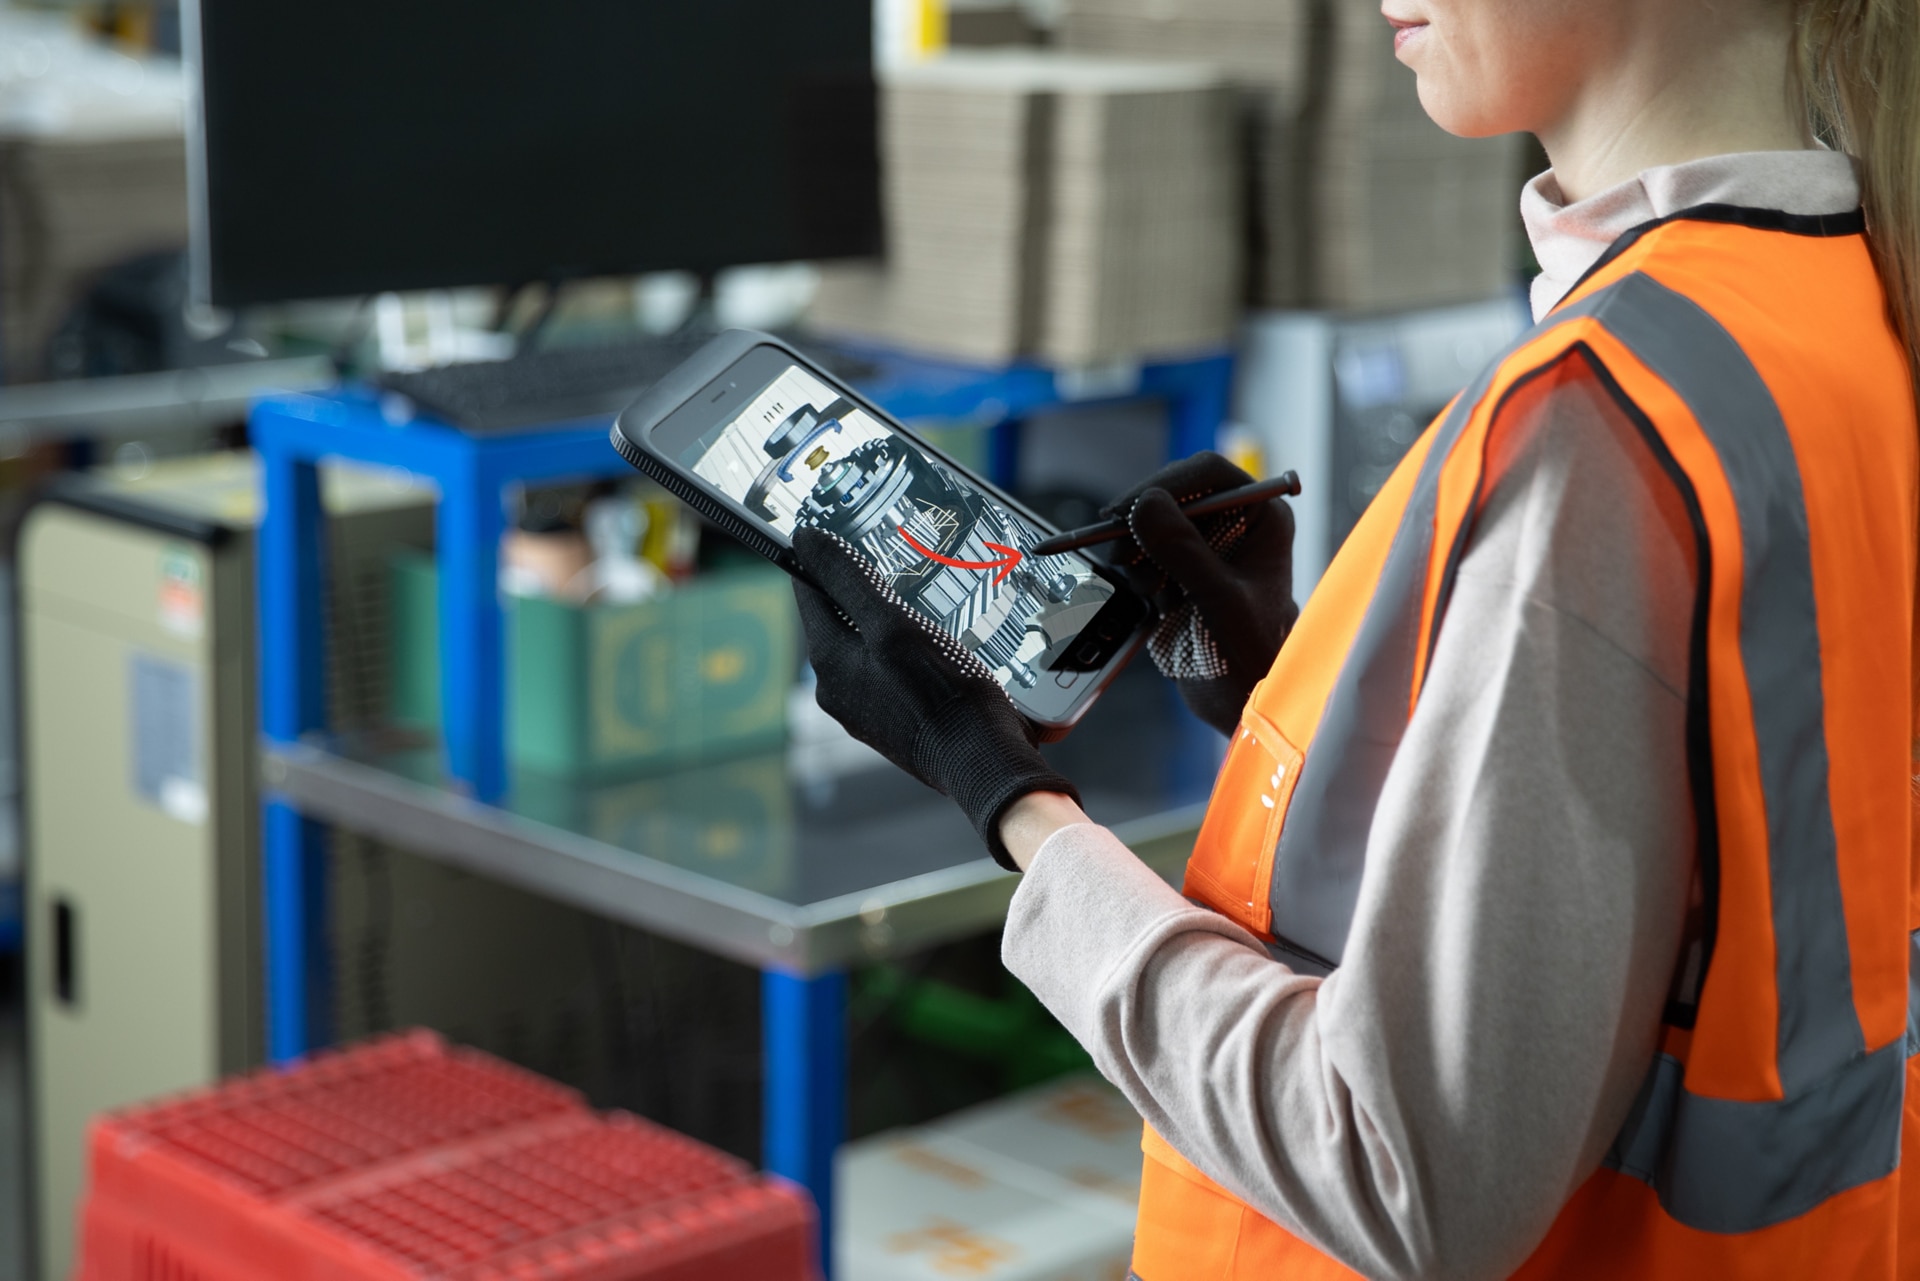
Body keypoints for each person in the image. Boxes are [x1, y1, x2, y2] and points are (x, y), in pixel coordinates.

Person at [791, 0, 1920, 1274]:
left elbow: (1404, 1173)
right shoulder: (1839, 300)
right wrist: (1306, 695)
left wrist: (1004, 794)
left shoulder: (1595, 423)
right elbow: (1697, 850)